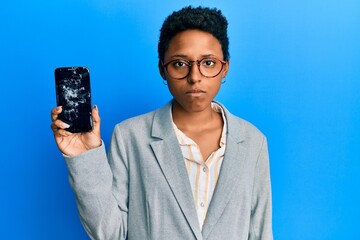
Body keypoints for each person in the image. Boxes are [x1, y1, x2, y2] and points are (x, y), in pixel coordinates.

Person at [51, 6, 273, 240]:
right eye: (180, 63)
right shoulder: (130, 136)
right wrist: (83, 157)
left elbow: (261, 232)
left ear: (224, 67)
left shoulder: (252, 141)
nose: (194, 77)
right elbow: (109, 232)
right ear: (162, 70)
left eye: (208, 63)